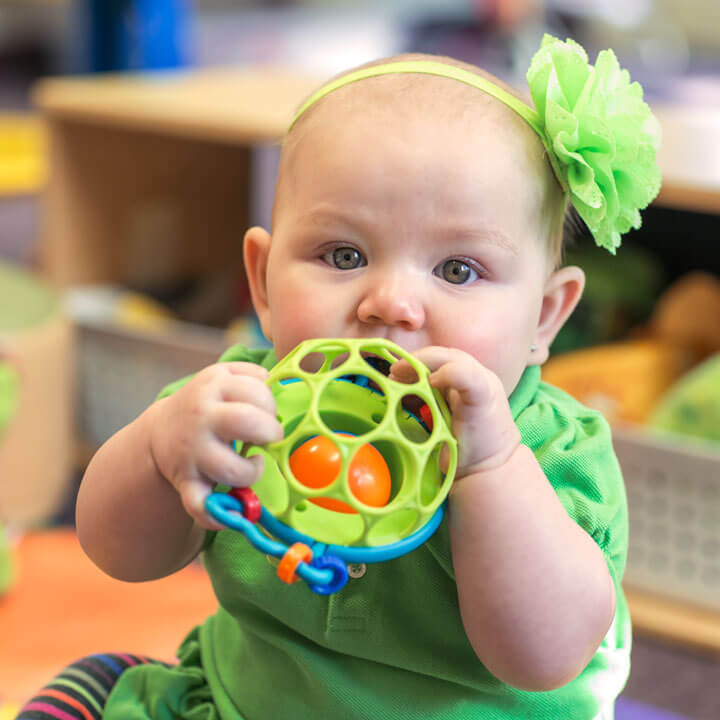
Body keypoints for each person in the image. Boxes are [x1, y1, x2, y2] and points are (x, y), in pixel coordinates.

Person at [18, 35, 661, 720]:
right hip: (247, 705)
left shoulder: (554, 450)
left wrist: (491, 468)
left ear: (543, 317)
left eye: (457, 271)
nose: (389, 302)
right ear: (262, 282)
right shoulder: (247, 403)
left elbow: (545, 658)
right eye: (344, 253)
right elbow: (118, 554)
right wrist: (158, 451)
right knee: (92, 686)